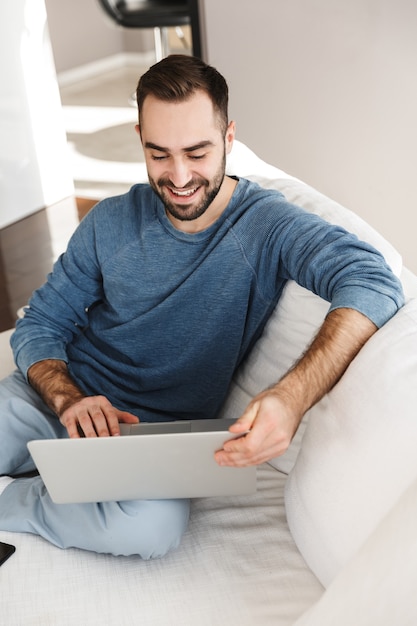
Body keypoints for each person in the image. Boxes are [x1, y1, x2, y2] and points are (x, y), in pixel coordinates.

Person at [0, 55, 404, 558]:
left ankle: (14, 498)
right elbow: (40, 323)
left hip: (152, 435)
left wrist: (292, 397)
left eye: (197, 152)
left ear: (229, 138)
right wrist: (66, 398)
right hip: (58, 400)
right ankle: (49, 461)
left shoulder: (266, 226)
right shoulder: (110, 221)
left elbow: (372, 280)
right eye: (159, 154)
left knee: (150, 532)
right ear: (140, 139)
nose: (180, 175)